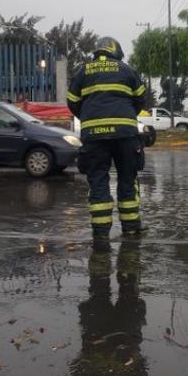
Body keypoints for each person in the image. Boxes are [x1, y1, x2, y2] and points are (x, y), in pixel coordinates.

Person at [66, 36, 148, 241]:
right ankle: (130, 228)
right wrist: (126, 117)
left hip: (94, 137)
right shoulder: (126, 70)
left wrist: (89, 117)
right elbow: (140, 99)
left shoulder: (82, 71)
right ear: (116, 52)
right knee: (128, 180)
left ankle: (101, 234)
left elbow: (72, 102)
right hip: (125, 135)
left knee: (98, 182)